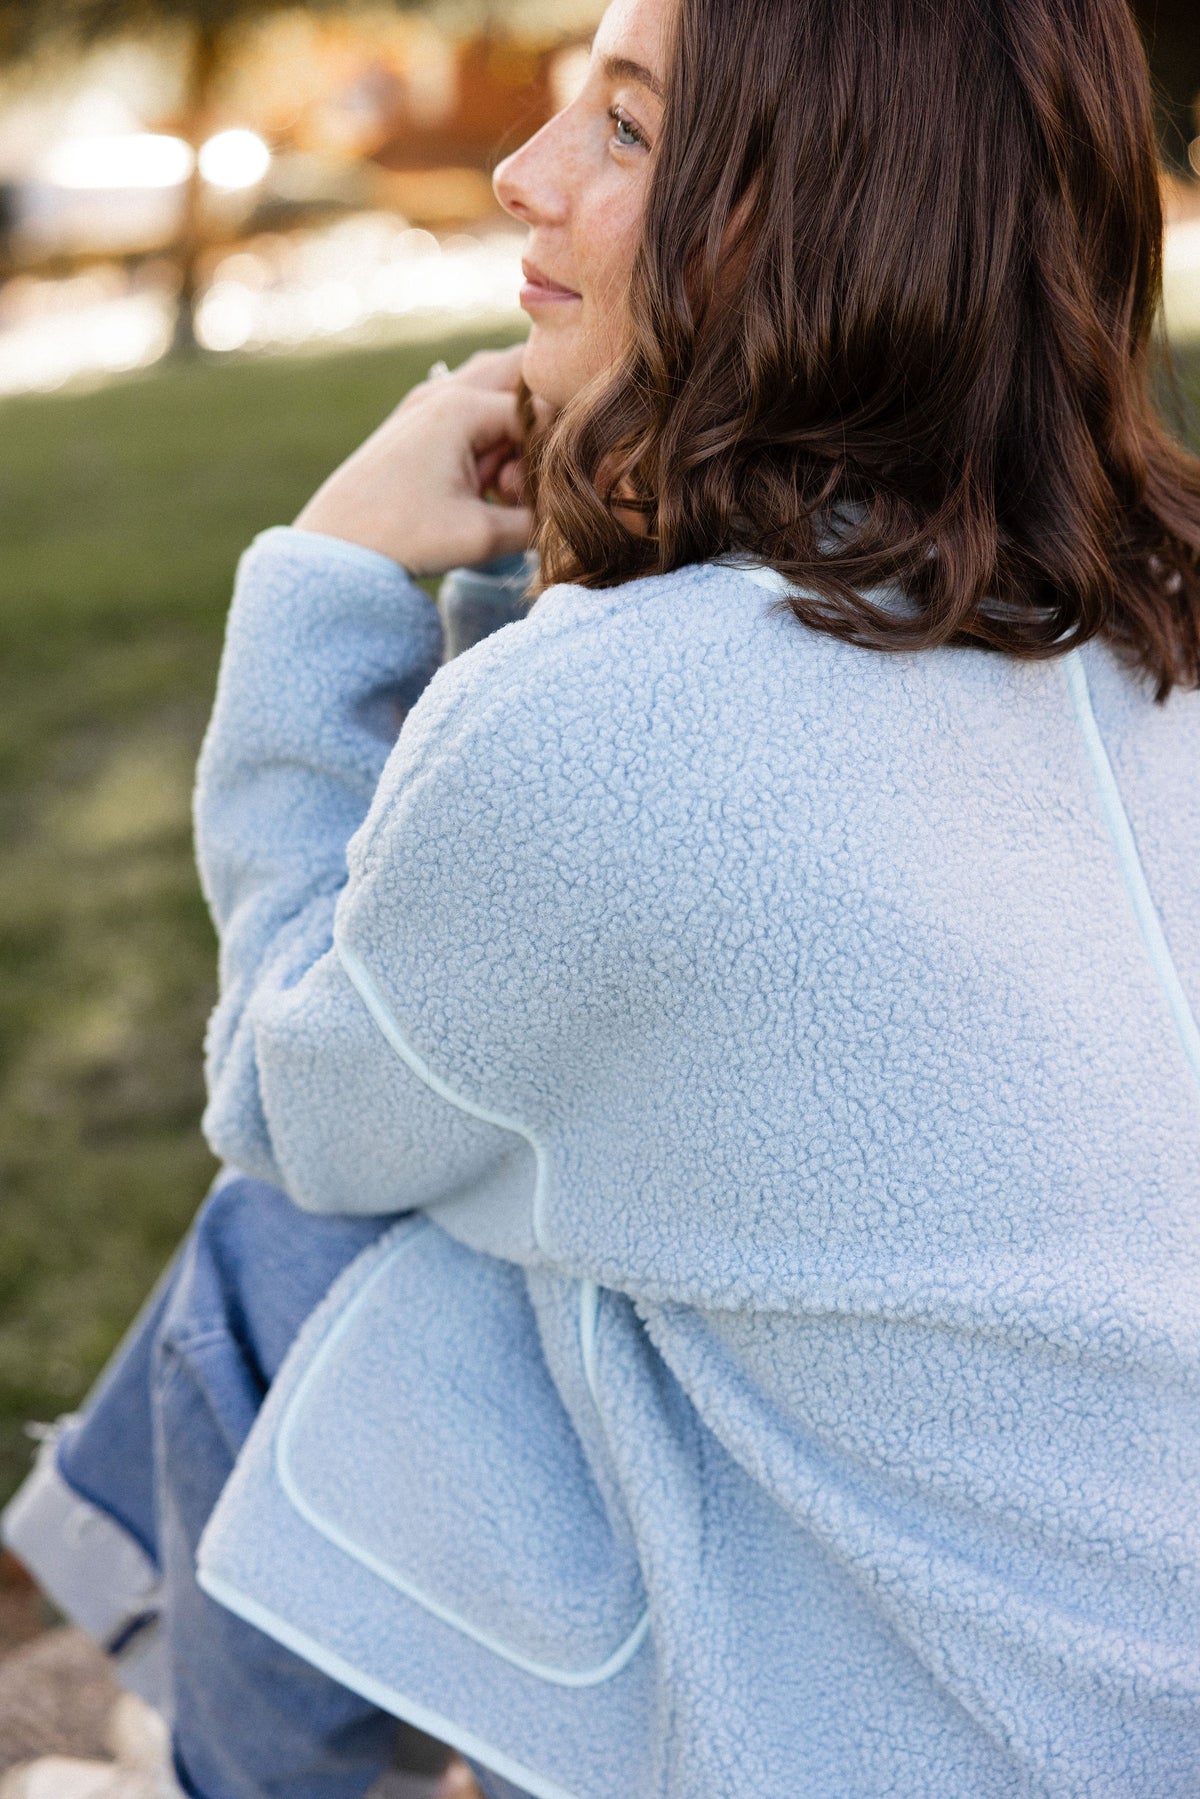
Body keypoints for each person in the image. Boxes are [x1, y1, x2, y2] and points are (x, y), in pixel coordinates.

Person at [8, 0, 1200, 1793]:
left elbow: (300, 1100)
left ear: (818, 221)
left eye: (627, 132)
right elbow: (577, 985)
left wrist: (326, 580)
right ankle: (113, 1634)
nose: (520, 174)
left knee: (320, 1252)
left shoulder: (638, 726)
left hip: (945, 1735)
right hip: (1123, 1677)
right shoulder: (1138, 620)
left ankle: (176, 1731)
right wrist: (600, 551)